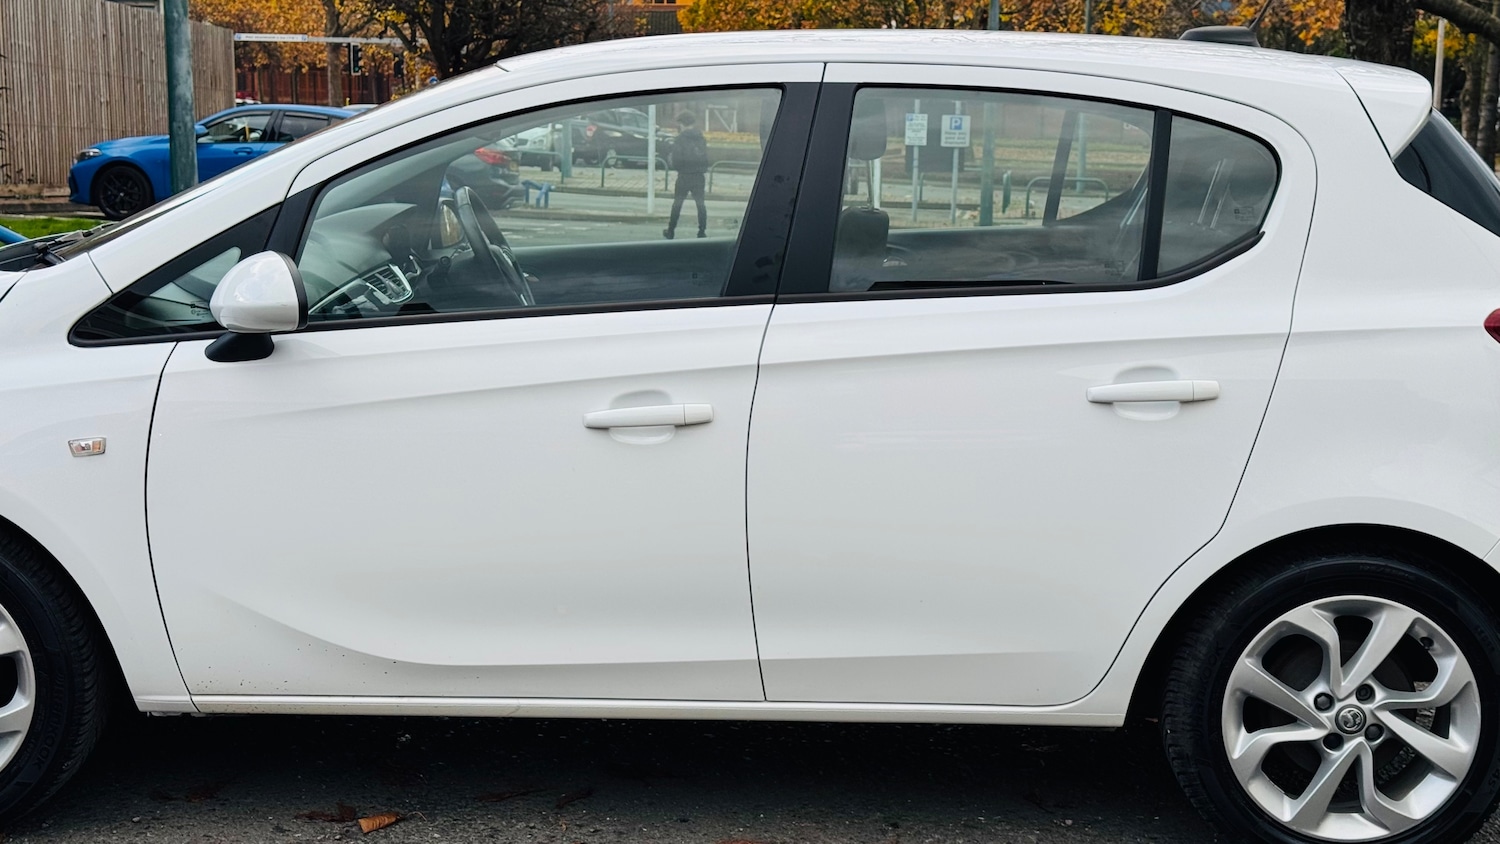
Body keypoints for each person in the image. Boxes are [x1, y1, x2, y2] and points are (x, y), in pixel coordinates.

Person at [664, 112, 709, 239]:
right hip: (699, 176)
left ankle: (671, 230)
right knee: (700, 204)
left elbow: (677, 159)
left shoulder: (680, 139)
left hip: (684, 176)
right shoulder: (701, 137)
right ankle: (702, 231)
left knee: (677, 204)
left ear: (682, 123)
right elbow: (705, 158)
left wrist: (677, 166)